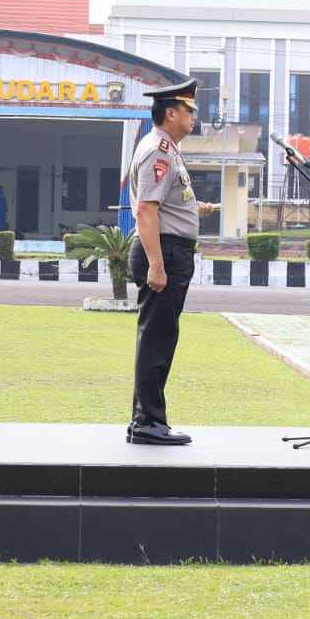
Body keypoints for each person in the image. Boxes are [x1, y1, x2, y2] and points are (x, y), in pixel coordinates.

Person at [127, 79, 221, 446]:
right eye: (188, 109)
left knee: (159, 336)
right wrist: (156, 265)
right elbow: (146, 211)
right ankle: (148, 422)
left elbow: (162, 204)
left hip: (168, 249)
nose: (193, 116)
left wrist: (194, 209)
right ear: (170, 113)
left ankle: (145, 420)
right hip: (164, 252)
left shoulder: (166, 149)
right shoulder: (158, 151)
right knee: (157, 338)